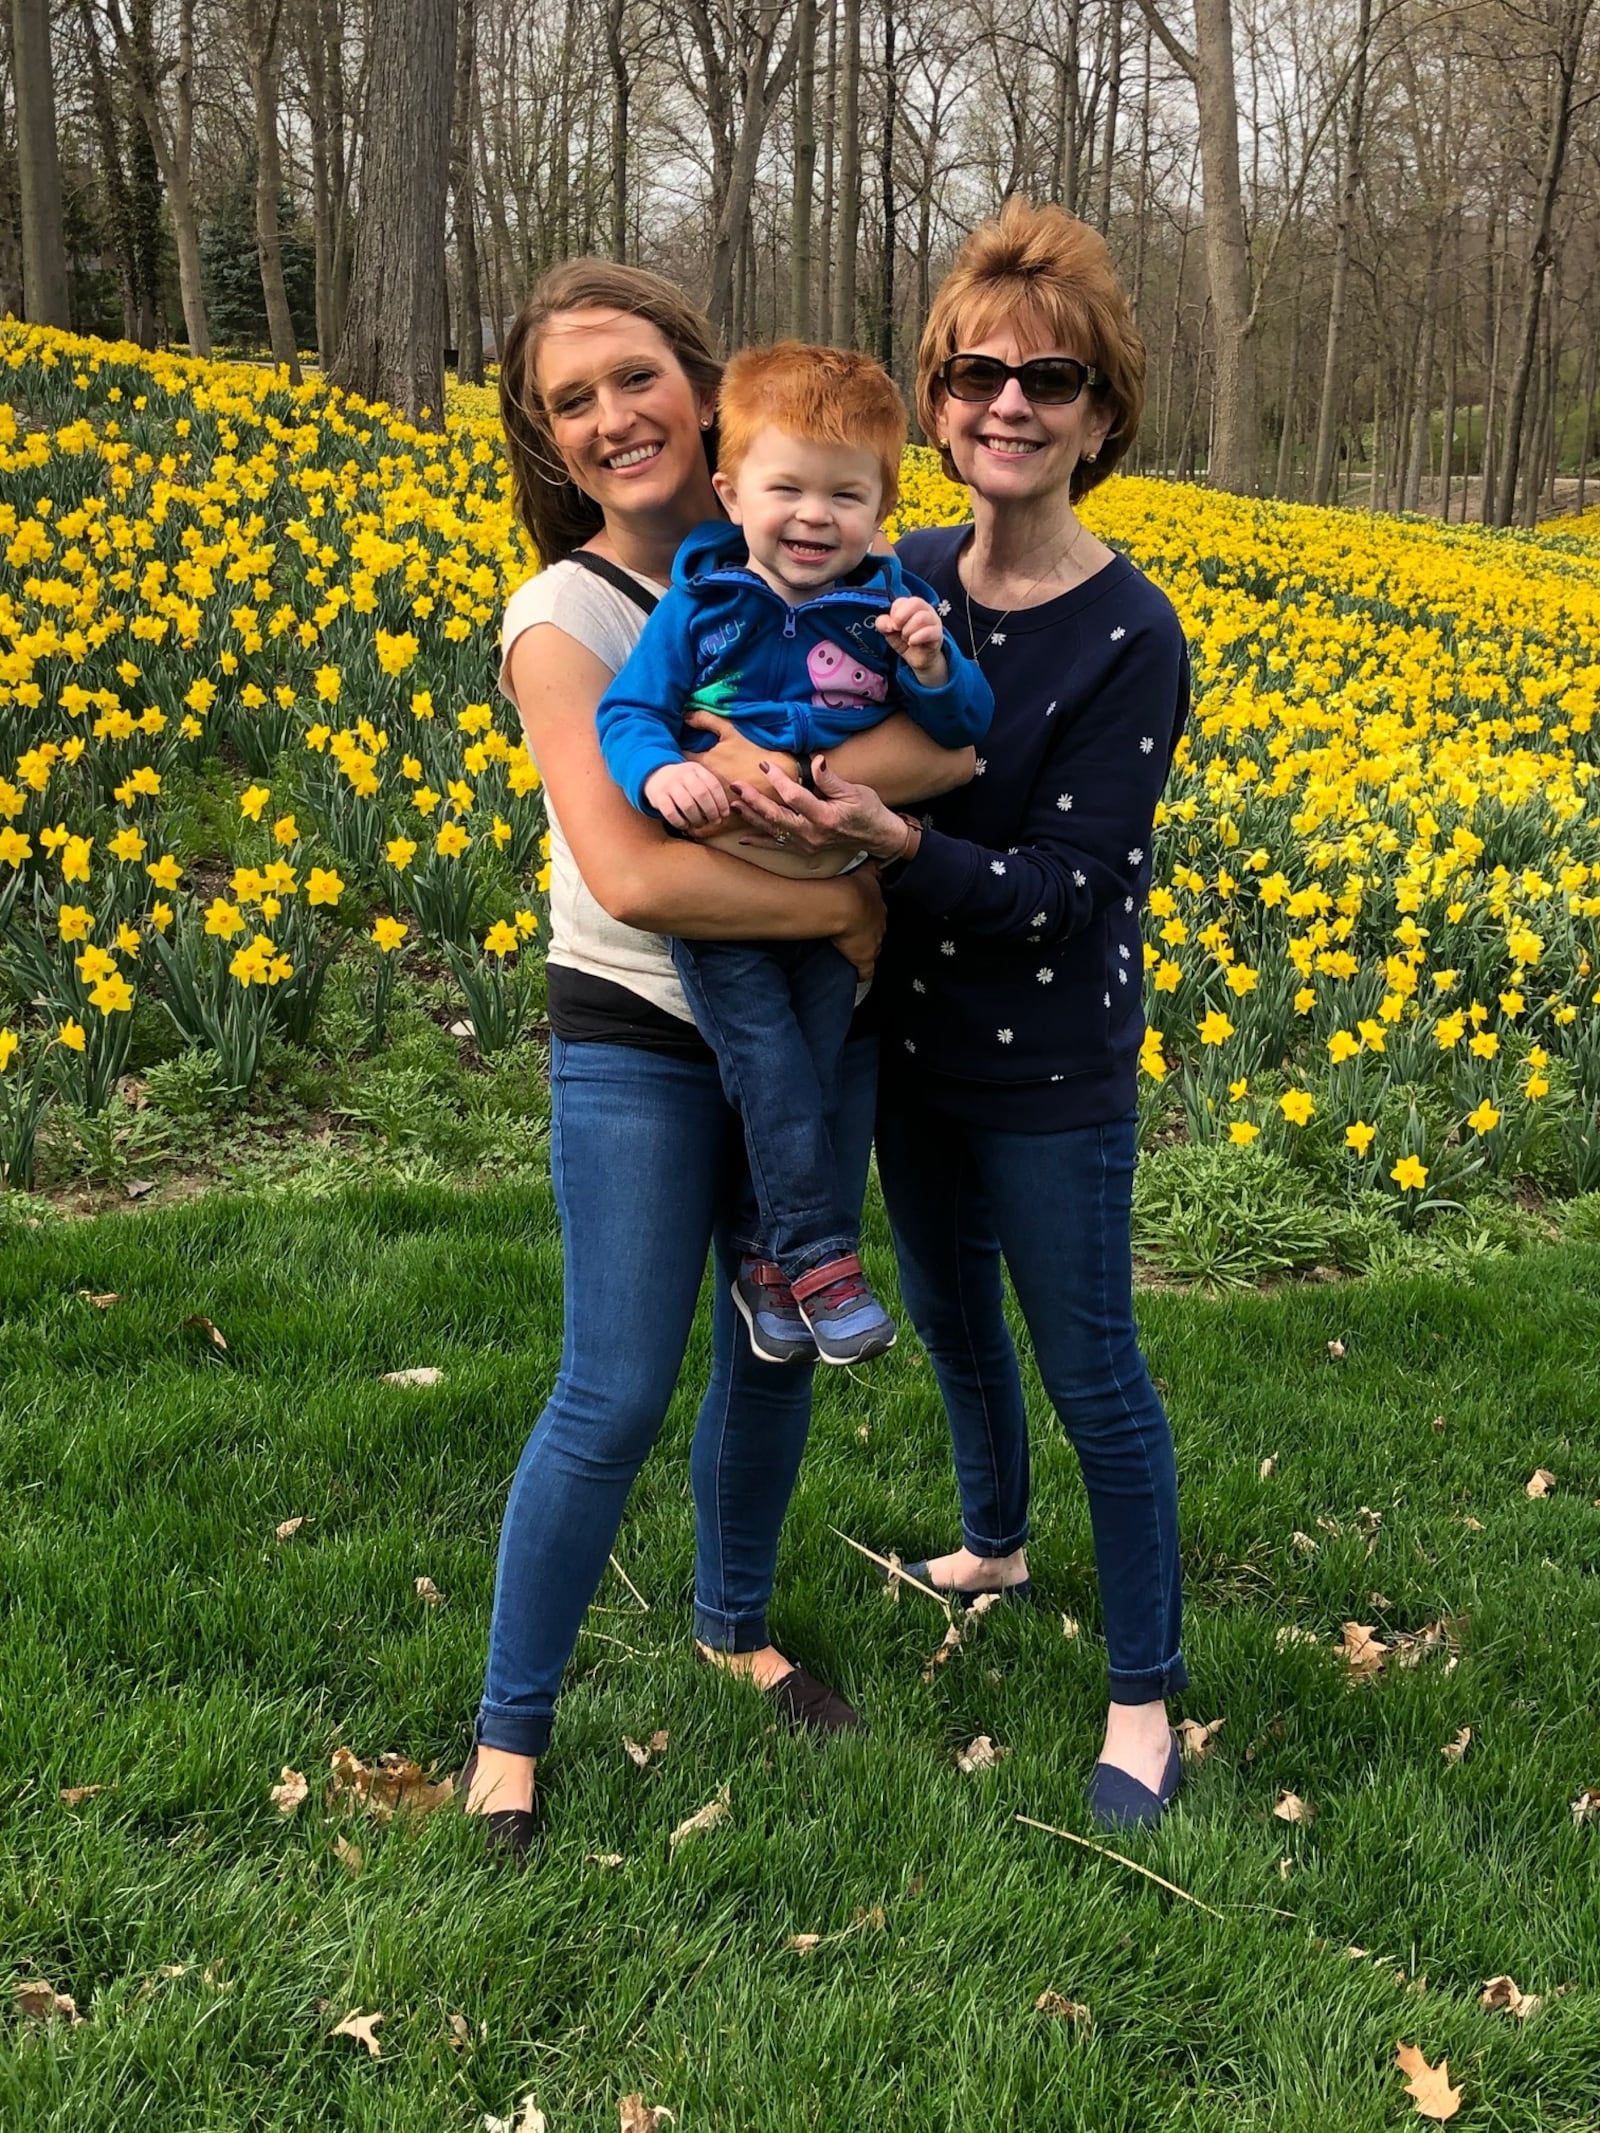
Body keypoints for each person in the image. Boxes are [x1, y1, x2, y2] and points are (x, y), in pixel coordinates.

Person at [463, 260, 976, 1859]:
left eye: (635, 379)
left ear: (703, 389)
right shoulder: (567, 615)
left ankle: (734, 1623)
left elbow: (946, 741)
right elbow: (633, 873)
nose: (613, 417)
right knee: (612, 1386)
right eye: (571, 400)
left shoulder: (808, 574)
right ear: (547, 442)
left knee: (777, 1340)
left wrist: (779, 761)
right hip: (639, 1032)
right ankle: (509, 1728)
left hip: (811, 1031)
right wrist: (836, 914)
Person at [726, 200, 1192, 1830]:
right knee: (948, 1319)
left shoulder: (1131, 632)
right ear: (934, 404)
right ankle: (993, 1536)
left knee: (1097, 1372)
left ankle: (1145, 1697)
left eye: (1049, 378)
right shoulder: (901, 574)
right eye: (978, 372)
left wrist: (895, 843)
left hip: (1052, 1064)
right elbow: (762, 670)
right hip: (901, 1045)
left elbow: (1070, 888)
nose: (1011, 402)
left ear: (1101, 414)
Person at [595, 343, 992, 1368]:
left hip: (833, 884)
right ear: (731, 493)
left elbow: (962, 729)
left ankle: (766, 1274)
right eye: (787, 489)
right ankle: (819, 1256)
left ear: (882, 506)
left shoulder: (888, 615)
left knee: (806, 1077)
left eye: (845, 495)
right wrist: (656, 776)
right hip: (724, 893)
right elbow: (630, 712)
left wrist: (932, 663)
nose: (815, 517)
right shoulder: (703, 607)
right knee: (769, 1066)